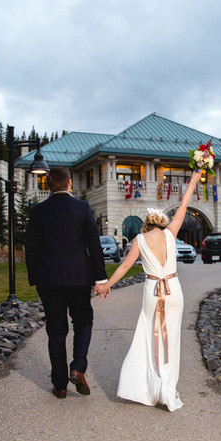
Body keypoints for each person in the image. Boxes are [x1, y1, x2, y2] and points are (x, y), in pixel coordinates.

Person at [96, 170, 202, 411]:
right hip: (173, 290)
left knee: (150, 337)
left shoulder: (139, 241)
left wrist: (106, 286)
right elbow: (183, 206)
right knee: (171, 339)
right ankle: (167, 388)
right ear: (161, 222)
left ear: (146, 224)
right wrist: (193, 181)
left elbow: (124, 266)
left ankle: (151, 387)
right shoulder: (170, 233)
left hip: (153, 290)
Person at [25, 167, 108, 399]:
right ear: (69, 183)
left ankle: (60, 385)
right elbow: (94, 244)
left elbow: (30, 246)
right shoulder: (81, 208)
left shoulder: (38, 210)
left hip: (48, 280)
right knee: (83, 321)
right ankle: (78, 367)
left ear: (49, 186)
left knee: (56, 330)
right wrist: (100, 276)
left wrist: (35, 277)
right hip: (79, 277)